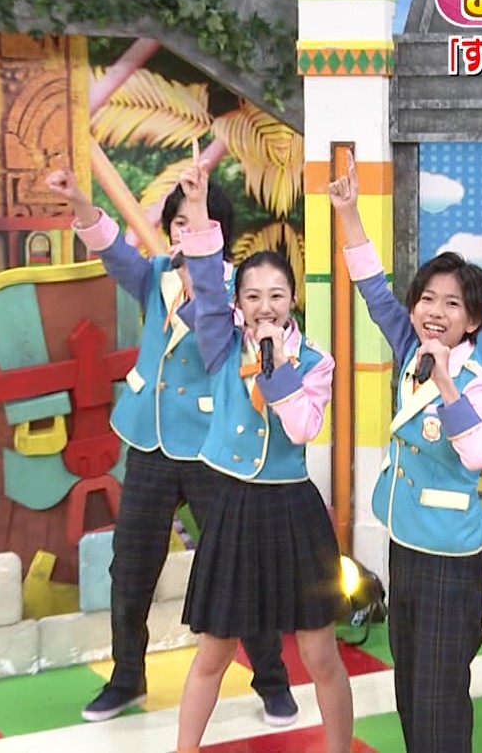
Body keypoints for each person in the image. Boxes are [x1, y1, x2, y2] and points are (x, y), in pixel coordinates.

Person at [47, 166, 299, 726]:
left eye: (199, 220)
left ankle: (273, 681)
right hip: (150, 443)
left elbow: (219, 331)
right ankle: (126, 678)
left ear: (220, 230)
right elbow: (114, 252)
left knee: (239, 565)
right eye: (179, 222)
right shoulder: (157, 274)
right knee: (130, 568)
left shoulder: (237, 290)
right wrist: (81, 201)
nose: (187, 230)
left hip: (213, 448)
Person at [174, 159, 354, 753]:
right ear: (239, 303)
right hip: (234, 507)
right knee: (214, 650)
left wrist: (276, 367)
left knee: (319, 653)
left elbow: (302, 428)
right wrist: (197, 207)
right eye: (252, 296)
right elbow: (205, 283)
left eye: (276, 294)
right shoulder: (221, 343)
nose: (265, 305)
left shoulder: (315, 362)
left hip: (292, 510)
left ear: (293, 299)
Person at [329, 161, 482, 752]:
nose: (434, 311)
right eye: (427, 299)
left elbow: (477, 454)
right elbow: (373, 290)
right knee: (409, 682)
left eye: (451, 304)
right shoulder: (410, 350)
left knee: (439, 690)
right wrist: (348, 213)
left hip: (449, 556)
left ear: (473, 319)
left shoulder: (477, 381)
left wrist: (446, 382)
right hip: (405, 541)